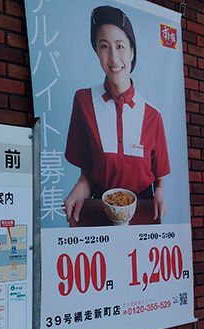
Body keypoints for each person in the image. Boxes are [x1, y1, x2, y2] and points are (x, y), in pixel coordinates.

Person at [63, 5, 170, 224]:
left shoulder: (152, 114)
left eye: (120, 46)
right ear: (96, 50)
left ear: (132, 51)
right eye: (104, 46)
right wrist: (79, 188)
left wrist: (160, 193)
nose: (113, 58)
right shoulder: (84, 101)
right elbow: (87, 174)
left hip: (143, 209)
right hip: (100, 210)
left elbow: (159, 179)